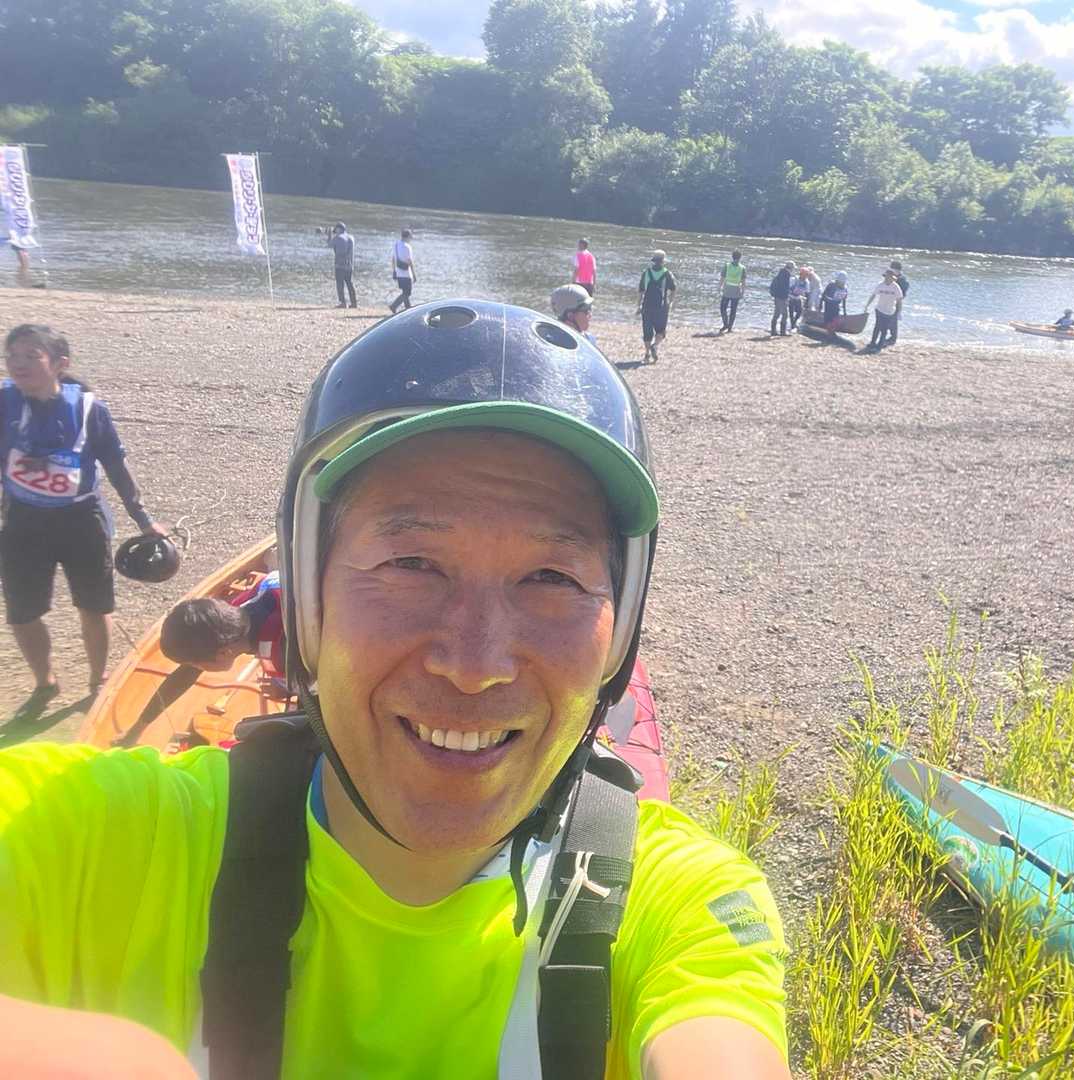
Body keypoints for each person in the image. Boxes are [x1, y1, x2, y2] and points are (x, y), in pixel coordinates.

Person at [0, 300, 790, 1078]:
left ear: (619, 634)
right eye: (411, 565)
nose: (475, 664)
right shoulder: (98, 843)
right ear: (307, 604)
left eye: (552, 577)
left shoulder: (673, 902)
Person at [0, 324, 168, 706]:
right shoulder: (4, 404)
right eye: (11, 356)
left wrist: (143, 519)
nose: (18, 364)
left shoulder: (89, 409)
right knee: (22, 612)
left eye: (31, 356)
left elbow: (116, 467)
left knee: (93, 606)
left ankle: (97, 679)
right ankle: (45, 682)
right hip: (22, 522)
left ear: (60, 364)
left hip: (81, 521)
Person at [159, 570, 285, 679]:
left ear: (224, 653)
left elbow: (295, 684)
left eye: (194, 665)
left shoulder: (279, 656)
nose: (196, 668)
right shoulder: (240, 603)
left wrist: (282, 691)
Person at [637, 250, 676, 363]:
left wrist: (638, 305)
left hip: (647, 306)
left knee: (647, 331)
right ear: (663, 261)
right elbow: (673, 289)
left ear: (653, 261)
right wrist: (670, 302)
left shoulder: (646, 272)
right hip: (661, 307)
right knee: (661, 331)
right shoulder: (667, 273)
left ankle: (647, 354)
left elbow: (641, 291)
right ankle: (655, 345)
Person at [864, 269, 905, 351]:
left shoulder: (896, 287)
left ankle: (879, 346)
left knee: (884, 329)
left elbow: (899, 301)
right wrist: (867, 305)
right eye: (886, 277)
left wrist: (899, 312)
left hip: (889, 311)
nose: (886, 278)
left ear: (892, 278)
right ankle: (872, 343)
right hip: (879, 309)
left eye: (889, 277)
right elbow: (873, 295)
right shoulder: (880, 285)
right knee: (877, 327)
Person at [388, 229, 417, 315]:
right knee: (407, 293)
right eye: (410, 236)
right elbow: (410, 261)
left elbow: (393, 259)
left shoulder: (396, 245)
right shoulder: (407, 247)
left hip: (399, 272)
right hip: (406, 274)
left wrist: (394, 271)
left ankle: (408, 309)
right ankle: (394, 306)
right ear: (407, 236)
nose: (411, 238)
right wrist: (414, 274)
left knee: (405, 292)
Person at [330, 222, 357, 309]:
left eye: (336, 230)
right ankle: (354, 303)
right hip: (349, 265)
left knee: (340, 284)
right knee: (349, 283)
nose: (335, 231)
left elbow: (329, 244)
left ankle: (343, 303)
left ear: (339, 229)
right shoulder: (351, 237)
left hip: (340, 265)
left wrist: (329, 235)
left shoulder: (338, 238)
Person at [884, 261, 910, 347]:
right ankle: (888, 337)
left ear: (897, 270)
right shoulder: (893, 276)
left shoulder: (902, 280)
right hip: (888, 301)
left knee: (893, 320)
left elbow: (902, 294)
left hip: (896, 302)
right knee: (887, 319)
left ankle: (893, 338)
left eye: (892, 269)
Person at [719, 250, 746, 333]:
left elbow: (722, 278)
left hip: (727, 289)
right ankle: (730, 327)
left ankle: (725, 324)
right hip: (736, 290)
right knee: (733, 310)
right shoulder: (742, 268)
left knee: (723, 308)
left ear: (732, 256)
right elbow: (743, 282)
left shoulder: (727, 266)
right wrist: (742, 292)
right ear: (740, 258)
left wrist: (720, 288)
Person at [768, 261, 794, 336]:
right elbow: (784, 288)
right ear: (790, 268)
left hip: (777, 296)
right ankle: (782, 332)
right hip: (782, 297)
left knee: (777, 313)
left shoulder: (780, 273)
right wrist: (787, 297)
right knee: (785, 314)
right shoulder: (786, 275)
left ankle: (773, 331)